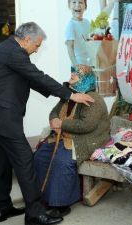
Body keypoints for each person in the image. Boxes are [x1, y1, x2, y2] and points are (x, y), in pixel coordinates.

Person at [0, 22, 94, 225]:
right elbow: (37, 76)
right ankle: (34, 212)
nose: (36, 50)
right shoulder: (14, 53)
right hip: (2, 116)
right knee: (25, 160)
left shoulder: (7, 49)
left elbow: (32, 80)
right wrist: (71, 95)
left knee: (2, 160)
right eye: (37, 45)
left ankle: (2, 207)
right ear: (27, 40)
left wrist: (65, 88)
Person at [34, 65, 110, 218]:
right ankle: (44, 197)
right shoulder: (69, 95)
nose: (72, 74)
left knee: (62, 161)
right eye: (72, 71)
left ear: (85, 78)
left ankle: (61, 204)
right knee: (40, 156)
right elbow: (54, 111)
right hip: (66, 136)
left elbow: (87, 125)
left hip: (88, 140)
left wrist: (61, 124)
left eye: (77, 73)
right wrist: (54, 119)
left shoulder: (93, 98)